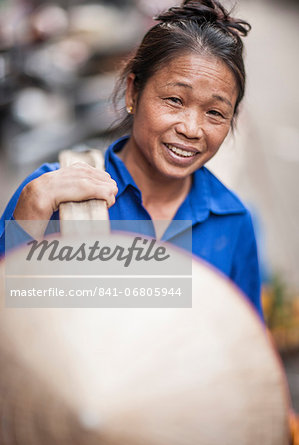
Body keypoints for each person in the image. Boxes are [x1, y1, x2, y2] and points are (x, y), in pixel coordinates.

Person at [0, 0, 263, 320]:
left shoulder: (232, 222)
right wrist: (31, 210)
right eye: (175, 100)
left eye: (215, 113)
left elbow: (245, 347)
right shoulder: (51, 196)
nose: (192, 129)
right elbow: (11, 326)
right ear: (132, 93)